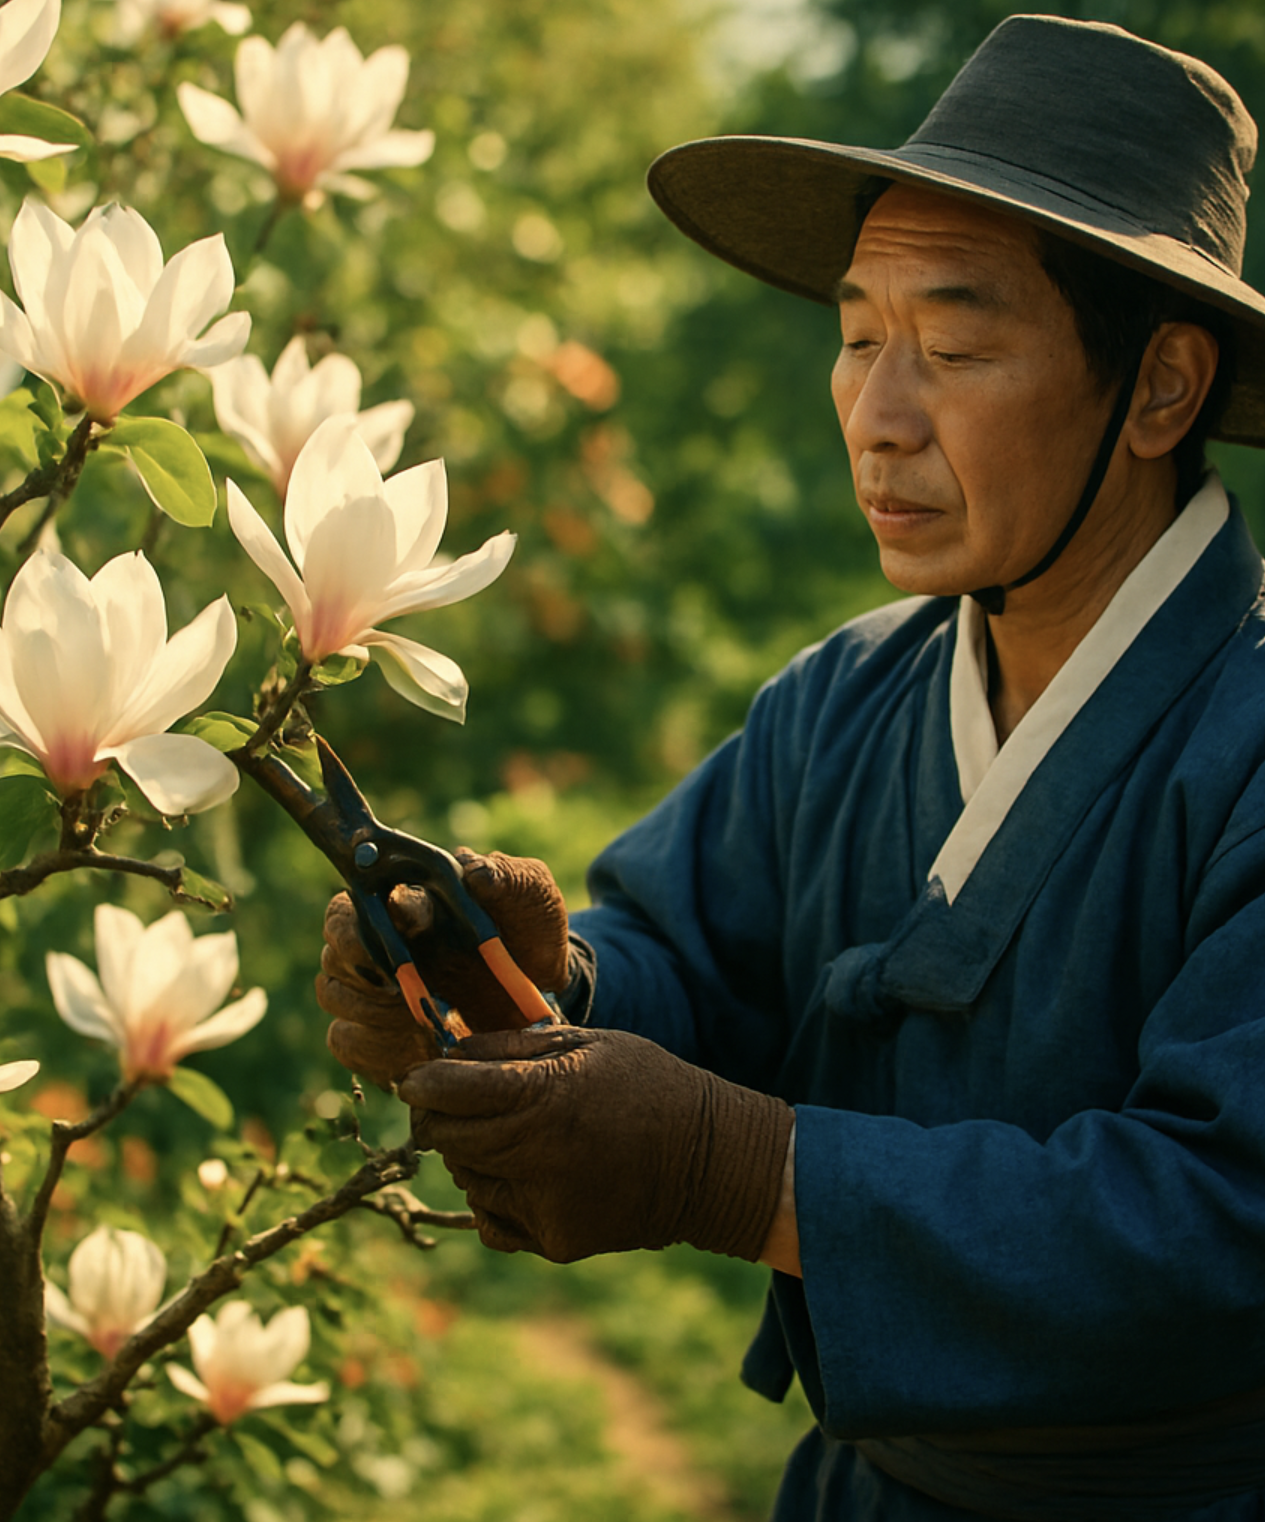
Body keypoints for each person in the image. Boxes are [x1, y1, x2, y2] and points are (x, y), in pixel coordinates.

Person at [316, 15, 1265, 1518]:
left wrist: (728, 1168)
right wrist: (529, 986)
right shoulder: (844, 696)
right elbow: (686, 953)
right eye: (855, 336)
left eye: (951, 347)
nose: (877, 418)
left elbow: (1218, 1221)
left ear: (1157, 391)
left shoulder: (1245, 740)